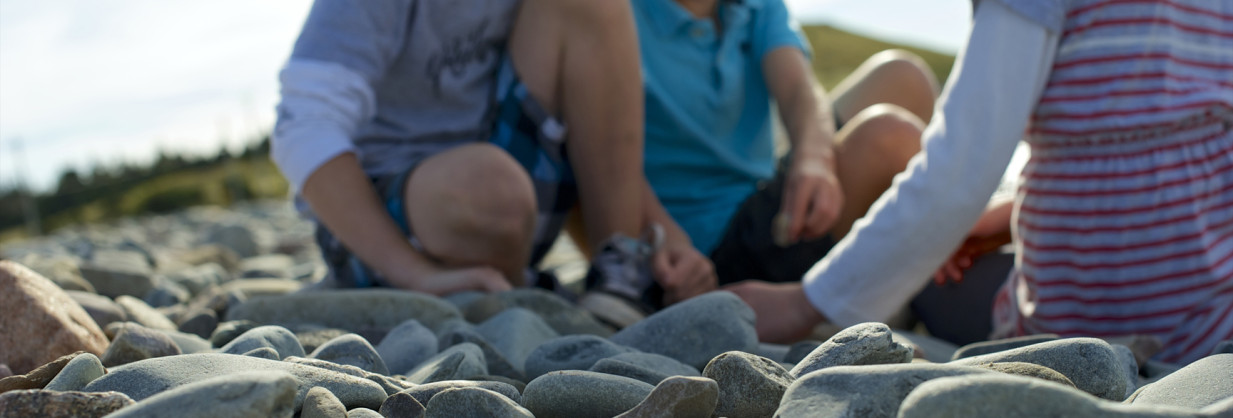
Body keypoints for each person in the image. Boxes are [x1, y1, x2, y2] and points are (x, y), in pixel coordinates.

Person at [727, 0, 1233, 364]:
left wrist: (804, 304)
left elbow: (962, 166)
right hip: (1211, 321)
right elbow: (1170, 151)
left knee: (929, 272)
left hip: (1080, 326)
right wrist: (1006, 214)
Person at [272, 0, 666, 304]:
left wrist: (663, 240)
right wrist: (414, 273)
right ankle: (507, 295)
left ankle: (622, 277)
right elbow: (302, 128)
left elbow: (599, 133)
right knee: (490, 186)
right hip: (388, 224)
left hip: (514, 191)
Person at [623, 0, 939, 296]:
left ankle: (894, 275)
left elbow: (799, 90)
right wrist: (661, 235)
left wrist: (813, 159)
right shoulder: (618, 14)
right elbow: (596, 154)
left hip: (767, 200)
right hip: (703, 249)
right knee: (891, 139)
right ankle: (915, 288)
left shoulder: (754, 6)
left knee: (904, 78)